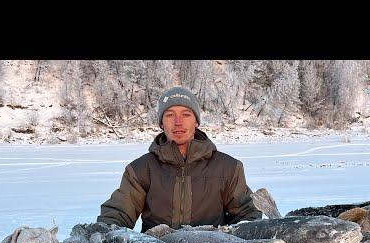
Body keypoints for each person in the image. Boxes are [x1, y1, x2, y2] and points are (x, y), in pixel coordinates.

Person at [97, 86, 262, 232]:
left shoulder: (228, 167)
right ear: (161, 123)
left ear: (196, 121)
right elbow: (118, 214)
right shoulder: (141, 169)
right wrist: (103, 236)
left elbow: (246, 214)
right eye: (169, 115)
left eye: (186, 114)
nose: (178, 122)